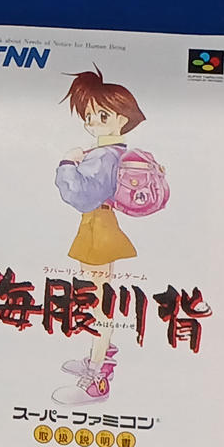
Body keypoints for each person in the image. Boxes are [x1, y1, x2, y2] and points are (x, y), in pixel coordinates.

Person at [52, 68, 146, 405]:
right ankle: (97, 358)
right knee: (98, 299)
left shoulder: (104, 155)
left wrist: (67, 162)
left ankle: (97, 376)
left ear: (123, 118)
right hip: (99, 225)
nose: (93, 122)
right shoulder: (110, 152)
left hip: (98, 226)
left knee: (99, 304)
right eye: (88, 116)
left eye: (101, 116)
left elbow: (81, 195)